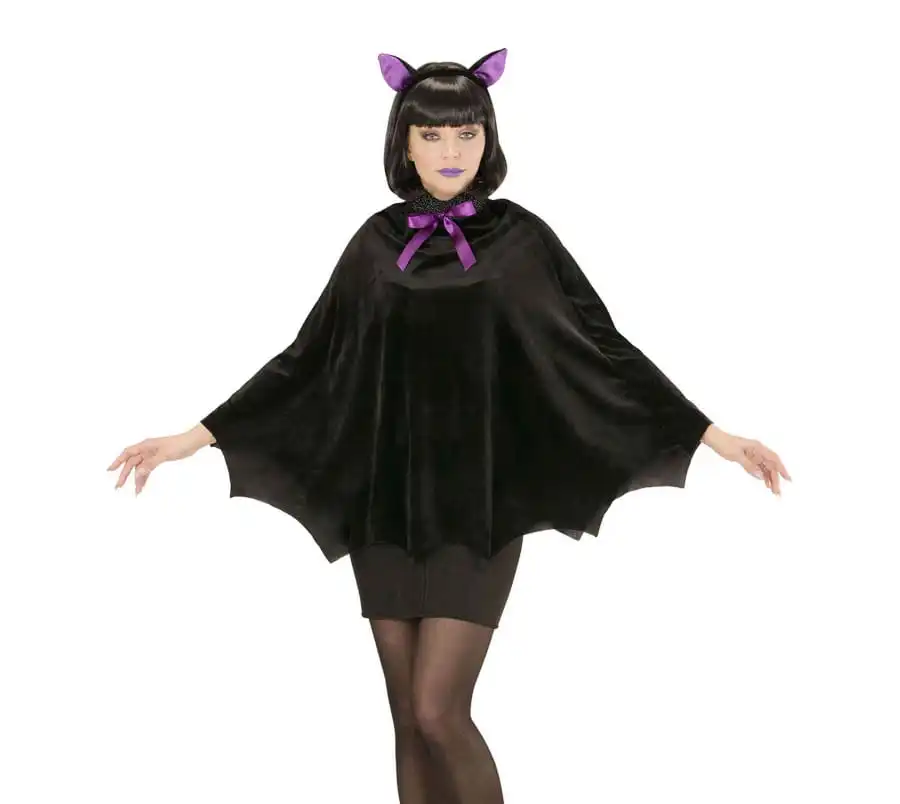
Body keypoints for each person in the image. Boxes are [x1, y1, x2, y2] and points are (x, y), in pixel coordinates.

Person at [107, 47, 791, 804]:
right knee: (407, 719)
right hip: (383, 502)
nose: (451, 151)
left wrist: (711, 435)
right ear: (404, 143)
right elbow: (310, 355)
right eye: (431, 135)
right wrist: (194, 437)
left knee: (440, 710)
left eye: (466, 133)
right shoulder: (375, 241)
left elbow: (602, 344)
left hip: (480, 502)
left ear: (488, 138)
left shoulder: (523, 238)